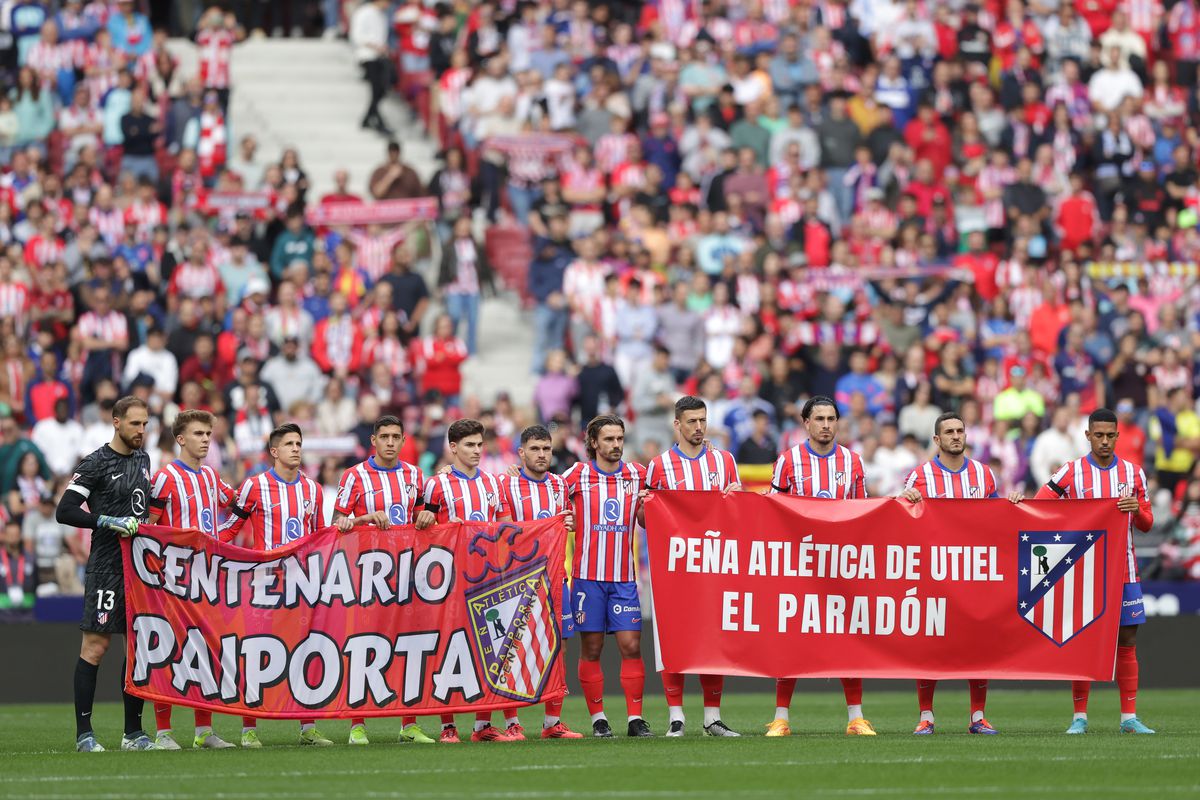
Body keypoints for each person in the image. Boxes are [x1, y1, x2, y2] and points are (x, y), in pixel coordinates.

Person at [1019, 408, 1156, 735]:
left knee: (1127, 639)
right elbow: (1041, 505)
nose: (1105, 441)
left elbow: (1148, 524)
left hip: (1124, 570)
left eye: (1110, 435)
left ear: (1118, 436)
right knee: (1082, 639)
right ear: (1088, 435)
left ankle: (1129, 718)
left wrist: (1137, 510)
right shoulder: (1071, 472)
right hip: (1084, 571)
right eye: (1099, 435)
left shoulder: (1133, 473)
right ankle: (1080, 717)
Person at [218, 423, 348, 747]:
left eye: (299, 443)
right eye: (289, 443)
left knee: (305, 653)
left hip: (303, 584)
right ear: (274, 452)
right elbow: (230, 530)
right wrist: (194, 544)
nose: (296, 448)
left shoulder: (313, 489)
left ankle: (308, 728)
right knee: (258, 655)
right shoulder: (254, 486)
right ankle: (249, 729)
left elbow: (320, 536)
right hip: (265, 584)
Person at [900, 411, 1018, 735]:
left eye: (960, 431)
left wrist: (1013, 505)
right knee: (929, 645)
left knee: (978, 645)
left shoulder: (984, 476)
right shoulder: (919, 476)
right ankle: (926, 716)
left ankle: (977, 716)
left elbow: (996, 519)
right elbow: (901, 522)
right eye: (949, 432)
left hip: (973, 575)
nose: (956, 436)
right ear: (936, 440)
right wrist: (903, 499)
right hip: (934, 573)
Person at [766, 396, 874, 737]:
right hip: (800, 565)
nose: (826, 424)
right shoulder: (788, 461)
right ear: (805, 423)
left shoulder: (853, 462)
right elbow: (772, 510)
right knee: (792, 639)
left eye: (831, 418)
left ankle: (856, 717)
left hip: (841, 565)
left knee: (849, 638)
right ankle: (781, 718)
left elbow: (863, 511)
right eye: (820, 418)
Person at [55, 396, 154, 752]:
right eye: (135, 424)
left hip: (139, 567)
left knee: (138, 648)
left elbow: (145, 505)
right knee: (96, 646)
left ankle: (133, 734)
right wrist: (105, 520)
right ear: (116, 422)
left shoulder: (143, 459)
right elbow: (64, 510)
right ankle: (85, 734)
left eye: (145, 424)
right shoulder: (95, 462)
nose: (141, 430)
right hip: (106, 566)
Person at [332, 415, 436, 746]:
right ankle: (357, 725)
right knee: (364, 646)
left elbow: (424, 514)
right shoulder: (354, 475)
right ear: (373, 440)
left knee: (409, 647)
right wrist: (361, 518)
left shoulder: (415, 475)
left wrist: (426, 515)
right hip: (366, 575)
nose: (390, 442)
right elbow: (336, 521)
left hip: (407, 573)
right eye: (384, 436)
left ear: (404, 440)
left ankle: (409, 722)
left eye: (396, 437)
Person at [410, 418, 515, 743]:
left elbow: (507, 527)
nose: (476, 451)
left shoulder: (493, 485)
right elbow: (417, 525)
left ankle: (483, 726)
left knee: (489, 650)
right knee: (449, 651)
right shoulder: (435, 485)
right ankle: (447, 726)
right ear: (453, 447)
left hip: (487, 580)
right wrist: (424, 520)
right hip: (450, 581)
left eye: (480, 445)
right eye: (469, 445)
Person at [644, 396, 740, 738]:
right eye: (692, 421)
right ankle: (676, 716)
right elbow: (644, 519)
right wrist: (646, 507)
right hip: (675, 568)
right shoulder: (660, 466)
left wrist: (736, 497)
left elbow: (739, 510)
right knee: (674, 640)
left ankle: (712, 717)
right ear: (677, 425)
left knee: (713, 641)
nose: (699, 427)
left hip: (715, 565)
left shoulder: (724, 461)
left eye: (703, 420)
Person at [144, 410, 236, 750]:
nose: (205, 439)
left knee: (205, 652)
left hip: (208, 579)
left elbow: (239, 504)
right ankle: (163, 733)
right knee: (167, 651)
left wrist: (223, 537)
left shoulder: (211, 477)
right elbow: (149, 528)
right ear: (181, 439)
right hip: (172, 581)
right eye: (198, 433)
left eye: (208, 434)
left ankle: (203, 731)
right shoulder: (166, 477)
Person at [562, 414, 652, 738]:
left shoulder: (638, 474)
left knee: (631, 646)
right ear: (594, 443)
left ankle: (635, 719)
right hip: (587, 578)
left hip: (624, 578)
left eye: (619, 439)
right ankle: (599, 719)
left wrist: (646, 509)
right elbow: (548, 497)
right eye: (609, 440)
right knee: (593, 649)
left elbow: (647, 520)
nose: (616, 445)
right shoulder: (577, 475)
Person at [495, 424, 583, 739]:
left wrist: (569, 521)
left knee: (558, 648)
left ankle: (552, 723)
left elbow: (569, 520)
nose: (542, 454)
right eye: (535, 449)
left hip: (557, 578)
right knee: (511, 649)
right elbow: (501, 529)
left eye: (546, 448)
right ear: (521, 453)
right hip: (518, 579)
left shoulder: (560, 485)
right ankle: (511, 722)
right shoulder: (505, 484)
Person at [351, 0, 393, 135]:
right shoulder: (363, 12)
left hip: (380, 56)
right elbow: (357, 36)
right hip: (367, 55)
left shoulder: (382, 15)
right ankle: (374, 119)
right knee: (377, 88)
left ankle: (368, 117)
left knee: (383, 87)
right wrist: (375, 46)